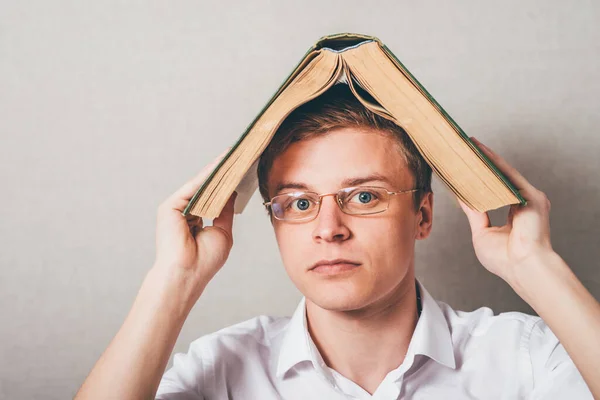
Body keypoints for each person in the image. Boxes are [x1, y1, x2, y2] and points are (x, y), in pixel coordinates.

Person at [75, 85, 599, 399]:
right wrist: (174, 279)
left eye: (365, 197)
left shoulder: (525, 357)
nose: (329, 227)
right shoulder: (222, 371)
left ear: (422, 214)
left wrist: (535, 266)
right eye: (300, 203)